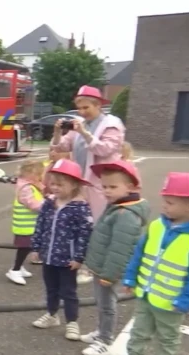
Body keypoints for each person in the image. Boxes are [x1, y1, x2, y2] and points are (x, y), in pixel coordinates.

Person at [110, 172, 189, 355]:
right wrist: (130, 277)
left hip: (172, 303)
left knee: (168, 338)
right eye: (165, 201)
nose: (164, 206)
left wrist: (186, 300)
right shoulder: (156, 226)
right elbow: (139, 253)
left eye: (170, 202)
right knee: (139, 332)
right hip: (146, 293)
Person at [50, 85, 126, 284]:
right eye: (80, 108)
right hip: (82, 181)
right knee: (82, 222)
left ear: (98, 105)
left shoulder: (112, 125)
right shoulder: (80, 124)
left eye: (86, 108)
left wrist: (84, 133)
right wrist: (58, 132)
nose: (82, 112)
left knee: (98, 224)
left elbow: (105, 150)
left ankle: (92, 266)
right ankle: (78, 259)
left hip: (103, 183)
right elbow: (61, 146)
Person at [80, 160, 149, 355]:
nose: (107, 191)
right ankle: (101, 332)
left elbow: (120, 249)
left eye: (113, 187)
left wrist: (109, 275)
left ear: (130, 187)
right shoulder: (118, 206)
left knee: (107, 305)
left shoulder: (125, 214)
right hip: (101, 267)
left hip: (108, 270)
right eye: (104, 187)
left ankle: (105, 340)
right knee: (101, 303)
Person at [29, 160, 93, 340]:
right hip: (48, 256)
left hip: (67, 259)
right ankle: (52, 314)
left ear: (74, 184)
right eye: (52, 183)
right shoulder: (49, 203)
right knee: (51, 288)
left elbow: (85, 234)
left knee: (69, 291)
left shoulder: (80, 207)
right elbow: (40, 225)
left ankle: (72, 322)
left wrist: (79, 257)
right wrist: (36, 246)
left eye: (60, 184)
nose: (55, 188)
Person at [6, 159, 45, 285]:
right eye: (38, 175)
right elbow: (32, 204)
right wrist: (47, 205)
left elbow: (40, 191)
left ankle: (19, 267)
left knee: (28, 247)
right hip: (24, 226)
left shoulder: (28, 184)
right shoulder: (25, 188)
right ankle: (15, 270)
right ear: (29, 174)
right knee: (24, 248)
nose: (40, 178)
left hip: (29, 226)